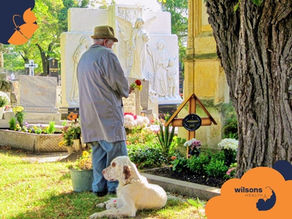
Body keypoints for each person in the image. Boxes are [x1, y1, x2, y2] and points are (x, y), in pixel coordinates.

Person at [77, 25, 133, 196]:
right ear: (105, 41)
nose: (112, 46)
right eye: (111, 43)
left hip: (89, 113)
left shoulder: (84, 57)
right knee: (117, 151)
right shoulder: (107, 55)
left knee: (99, 152)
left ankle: (98, 188)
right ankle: (116, 189)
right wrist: (126, 89)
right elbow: (117, 80)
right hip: (106, 111)